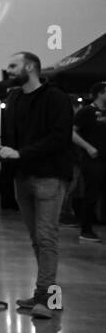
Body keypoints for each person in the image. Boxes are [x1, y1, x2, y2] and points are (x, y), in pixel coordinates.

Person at [0, 52, 75, 319]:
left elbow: (59, 138)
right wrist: (0, 151)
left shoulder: (56, 98)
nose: (9, 70)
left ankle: (46, 298)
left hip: (49, 176)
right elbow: (15, 139)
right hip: (22, 176)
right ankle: (44, 294)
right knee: (37, 239)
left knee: (47, 238)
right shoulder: (14, 98)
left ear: (30, 67)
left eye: (14, 65)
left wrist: (21, 154)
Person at [72, 82, 106, 243]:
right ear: (100, 93)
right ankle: (86, 230)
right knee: (91, 193)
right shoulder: (86, 112)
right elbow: (71, 132)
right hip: (93, 160)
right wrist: (88, 147)